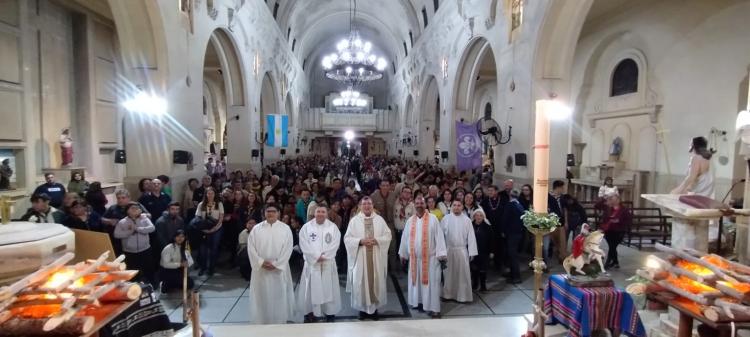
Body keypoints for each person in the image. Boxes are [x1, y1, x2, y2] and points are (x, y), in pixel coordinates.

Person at [398, 196, 448, 318]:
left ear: (425, 205)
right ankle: (419, 303)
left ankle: (434, 309)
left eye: (421, 202)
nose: (419, 205)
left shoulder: (433, 219)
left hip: (431, 259)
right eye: (417, 203)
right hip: (415, 260)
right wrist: (403, 253)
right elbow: (405, 238)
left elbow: (439, 237)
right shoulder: (410, 221)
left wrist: (441, 254)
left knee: (432, 284)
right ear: (414, 205)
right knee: (417, 283)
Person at [344, 197, 392, 320]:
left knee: (376, 280)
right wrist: (360, 241)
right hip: (360, 257)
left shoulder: (379, 220)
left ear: (373, 205)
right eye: (364, 204)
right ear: (360, 206)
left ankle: (374, 310)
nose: (367, 206)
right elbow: (347, 239)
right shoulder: (354, 221)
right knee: (361, 282)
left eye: (369, 204)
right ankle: (362, 310)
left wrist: (377, 240)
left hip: (376, 256)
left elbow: (388, 235)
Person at [247, 205, 295, 324]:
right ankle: (262, 320)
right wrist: (261, 262)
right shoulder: (256, 229)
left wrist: (277, 264)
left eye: (274, 211)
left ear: (278, 213)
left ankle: (279, 320)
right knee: (261, 296)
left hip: (278, 269)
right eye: (268, 211)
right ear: (264, 213)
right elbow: (251, 248)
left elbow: (288, 248)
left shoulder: (285, 229)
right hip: (261, 270)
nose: (271, 213)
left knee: (279, 295)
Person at [297, 206, 342, 323]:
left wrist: (325, 256)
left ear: (326, 214)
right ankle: (310, 312)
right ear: (314, 213)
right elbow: (304, 244)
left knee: (329, 288)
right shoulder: (306, 228)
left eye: (323, 212)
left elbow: (335, 244)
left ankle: (329, 312)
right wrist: (316, 256)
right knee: (311, 288)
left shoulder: (333, 227)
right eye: (318, 212)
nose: (321, 214)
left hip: (327, 263)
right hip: (312, 264)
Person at [440, 200, 477, 302]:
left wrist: (472, 252)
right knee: (448, 274)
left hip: (461, 250)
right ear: (451, 207)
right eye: (454, 205)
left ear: (462, 207)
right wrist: (440, 251)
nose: (456, 207)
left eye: (459, 205)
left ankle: (463, 296)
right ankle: (447, 295)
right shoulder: (445, 219)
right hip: (449, 250)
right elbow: (440, 236)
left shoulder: (467, 220)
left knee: (462, 274)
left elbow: (471, 237)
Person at [114, 202, 156, 286]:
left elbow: (152, 228)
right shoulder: (122, 222)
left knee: (148, 269)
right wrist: (129, 232)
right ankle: (134, 287)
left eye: (137, 208)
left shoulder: (144, 218)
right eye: (132, 208)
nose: (135, 210)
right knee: (133, 271)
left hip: (145, 249)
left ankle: (152, 285)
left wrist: (138, 229)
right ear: (127, 210)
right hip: (130, 252)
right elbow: (116, 234)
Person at [102, 189, 149, 255]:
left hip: (136, 238)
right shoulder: (113, 208)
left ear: (129, 198)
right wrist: (109, 221)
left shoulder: (137, 205)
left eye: (123, 198)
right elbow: (102, 219)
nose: (120, 200)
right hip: (118, 240)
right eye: (118, 198)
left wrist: (141, 215)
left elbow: (149, 215)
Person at [194, 187, 224, 276]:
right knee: (203, 250)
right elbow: (197, 218)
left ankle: (211, 268)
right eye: (208, 193)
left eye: (212, 193)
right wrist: (204, 229)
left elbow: (221, 218)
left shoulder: (219, 204)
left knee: (213, 249)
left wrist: (213, 229)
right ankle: (203, 267)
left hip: (216, 228)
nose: (210, 195)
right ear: (206, 194)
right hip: (204, 229)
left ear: (215, 194)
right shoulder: (201, 204)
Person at [601, 194, 631, 269]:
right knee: (612, 247)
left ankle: (608, 262)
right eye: (612, 199)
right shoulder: (608, 209)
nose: (614, 201)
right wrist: (604, 198)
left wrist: (619, 221)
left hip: (619, 231)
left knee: (612, 247)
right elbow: (604, 218)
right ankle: (615, 262)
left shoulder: (624, 209)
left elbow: (628, 220)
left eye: (615, 199)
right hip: (609, 230)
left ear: (619, 200)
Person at [502, 189, 525, 284]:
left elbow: (504, 219)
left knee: (513, 255)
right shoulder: (519, 205)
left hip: (511, 234)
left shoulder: (510, 205)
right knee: (513, 254)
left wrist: (502, 231)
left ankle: (516, 277)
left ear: (510, 196)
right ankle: (512, 273)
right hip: (518, 233)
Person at [471, 209, 492, 291]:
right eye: (477, 215)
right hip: (473, 251)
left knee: (483, 269)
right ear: (474, 216)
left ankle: (483, 286)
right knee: (474, 269)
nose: (478, 217)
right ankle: (475, 284)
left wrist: (491, 251)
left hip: (484, 251)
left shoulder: (488, 227)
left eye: (480, 215)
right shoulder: (470, 225)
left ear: (483, 217)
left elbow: (491, 240)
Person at [548, 180, 567, 263]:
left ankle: (562, 256)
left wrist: (566, 221)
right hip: (552, 220)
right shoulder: (549, 196)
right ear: (557, 187)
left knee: (562, 240)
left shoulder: (562, 197)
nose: (563, 189)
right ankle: (557, 253)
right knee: (554, 239)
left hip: (561, 220)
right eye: (562, 188)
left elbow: (565, 209)